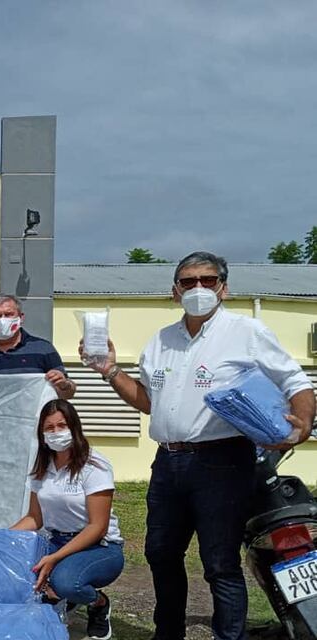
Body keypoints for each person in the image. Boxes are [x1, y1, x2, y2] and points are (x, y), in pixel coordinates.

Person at [83, 251, 315, 640]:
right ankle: (168, 633)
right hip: (168, 463)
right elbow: (147, 401)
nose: (198, 288)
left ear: (223, 288)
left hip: (223, 463)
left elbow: (295, 381)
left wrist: (303, 422)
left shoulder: (247, 332)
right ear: (175, 291)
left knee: (220, 563)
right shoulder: (160, 341)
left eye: (207, 281)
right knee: (160, 555)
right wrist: (109, 370)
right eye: (188, 282)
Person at [11, 399, 124, 640]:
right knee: (17, 571)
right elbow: (34, 517)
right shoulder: (43, 467)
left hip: (98, 546)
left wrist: (54, 558)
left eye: (61, 425)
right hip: (57, 541)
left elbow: (98, 526)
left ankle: (98, 604)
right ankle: (58, 597)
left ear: (74, 427)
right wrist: (1, 540)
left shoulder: (95, 465)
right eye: (49, 428)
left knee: (66, 582)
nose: (55, 432)